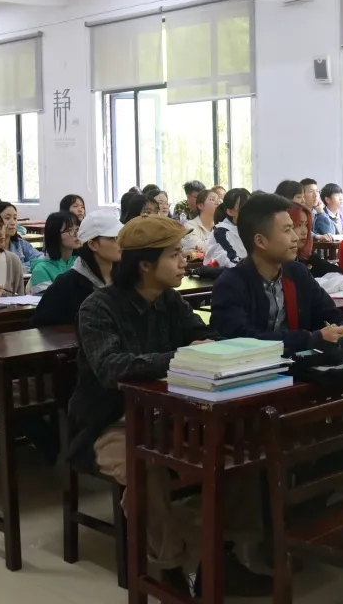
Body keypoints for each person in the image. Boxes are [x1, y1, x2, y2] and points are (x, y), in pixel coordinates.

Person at [68, 215, 270, 595]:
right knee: (146, 466)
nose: (184, 262)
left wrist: (208, 346)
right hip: (109, 423)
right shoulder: (98, 308)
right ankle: (169, 568)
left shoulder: (170, 300)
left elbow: (203, 335)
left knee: (241, 451)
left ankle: (231, 554)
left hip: (171, 417)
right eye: (175, 255)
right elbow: (112, 368)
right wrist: (180, 356)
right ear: (145, 264)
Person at [211, 194, 343, 354]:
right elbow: (243, 340)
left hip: (300, 364)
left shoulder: (297, 273)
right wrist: (311, 339)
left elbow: (333, 314)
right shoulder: (231, 284)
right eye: (287, 230)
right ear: (260, 241)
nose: (295, 237)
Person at [31, 210, 122, 327]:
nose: (121, 242)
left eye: (121, 236)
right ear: (93, 244)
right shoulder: (66, 285)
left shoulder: (126, 278)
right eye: (114, 238)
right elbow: (40, 328)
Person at [29, 211, 80, 294]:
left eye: (77, 229)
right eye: (70, 230)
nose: (77, 234)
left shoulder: (82, 263)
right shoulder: (41, 269)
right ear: (55, 234)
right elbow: (47, 300)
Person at [289, 203, 341, 279]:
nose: (305, 231)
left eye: (306, 225)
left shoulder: (308, 256)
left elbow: (336, 270)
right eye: (299, 225)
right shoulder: (282, 263)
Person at [204, 188, 251, 269]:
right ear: (230, 211)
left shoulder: (248, 229)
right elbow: (232, 263)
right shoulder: (221, 232)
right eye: (244, 209)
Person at [0, 201, 43, 273]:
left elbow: (41, 258)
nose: (13, 222)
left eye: (15, 218)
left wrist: (21, 267)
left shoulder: (19, 244)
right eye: (7, 218)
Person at [180, 189, 220, 253]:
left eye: (218, 201)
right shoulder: (189, 226)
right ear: (200, 205)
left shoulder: (219, 226)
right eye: (212, 199)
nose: (218, 203)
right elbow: (199, 248)